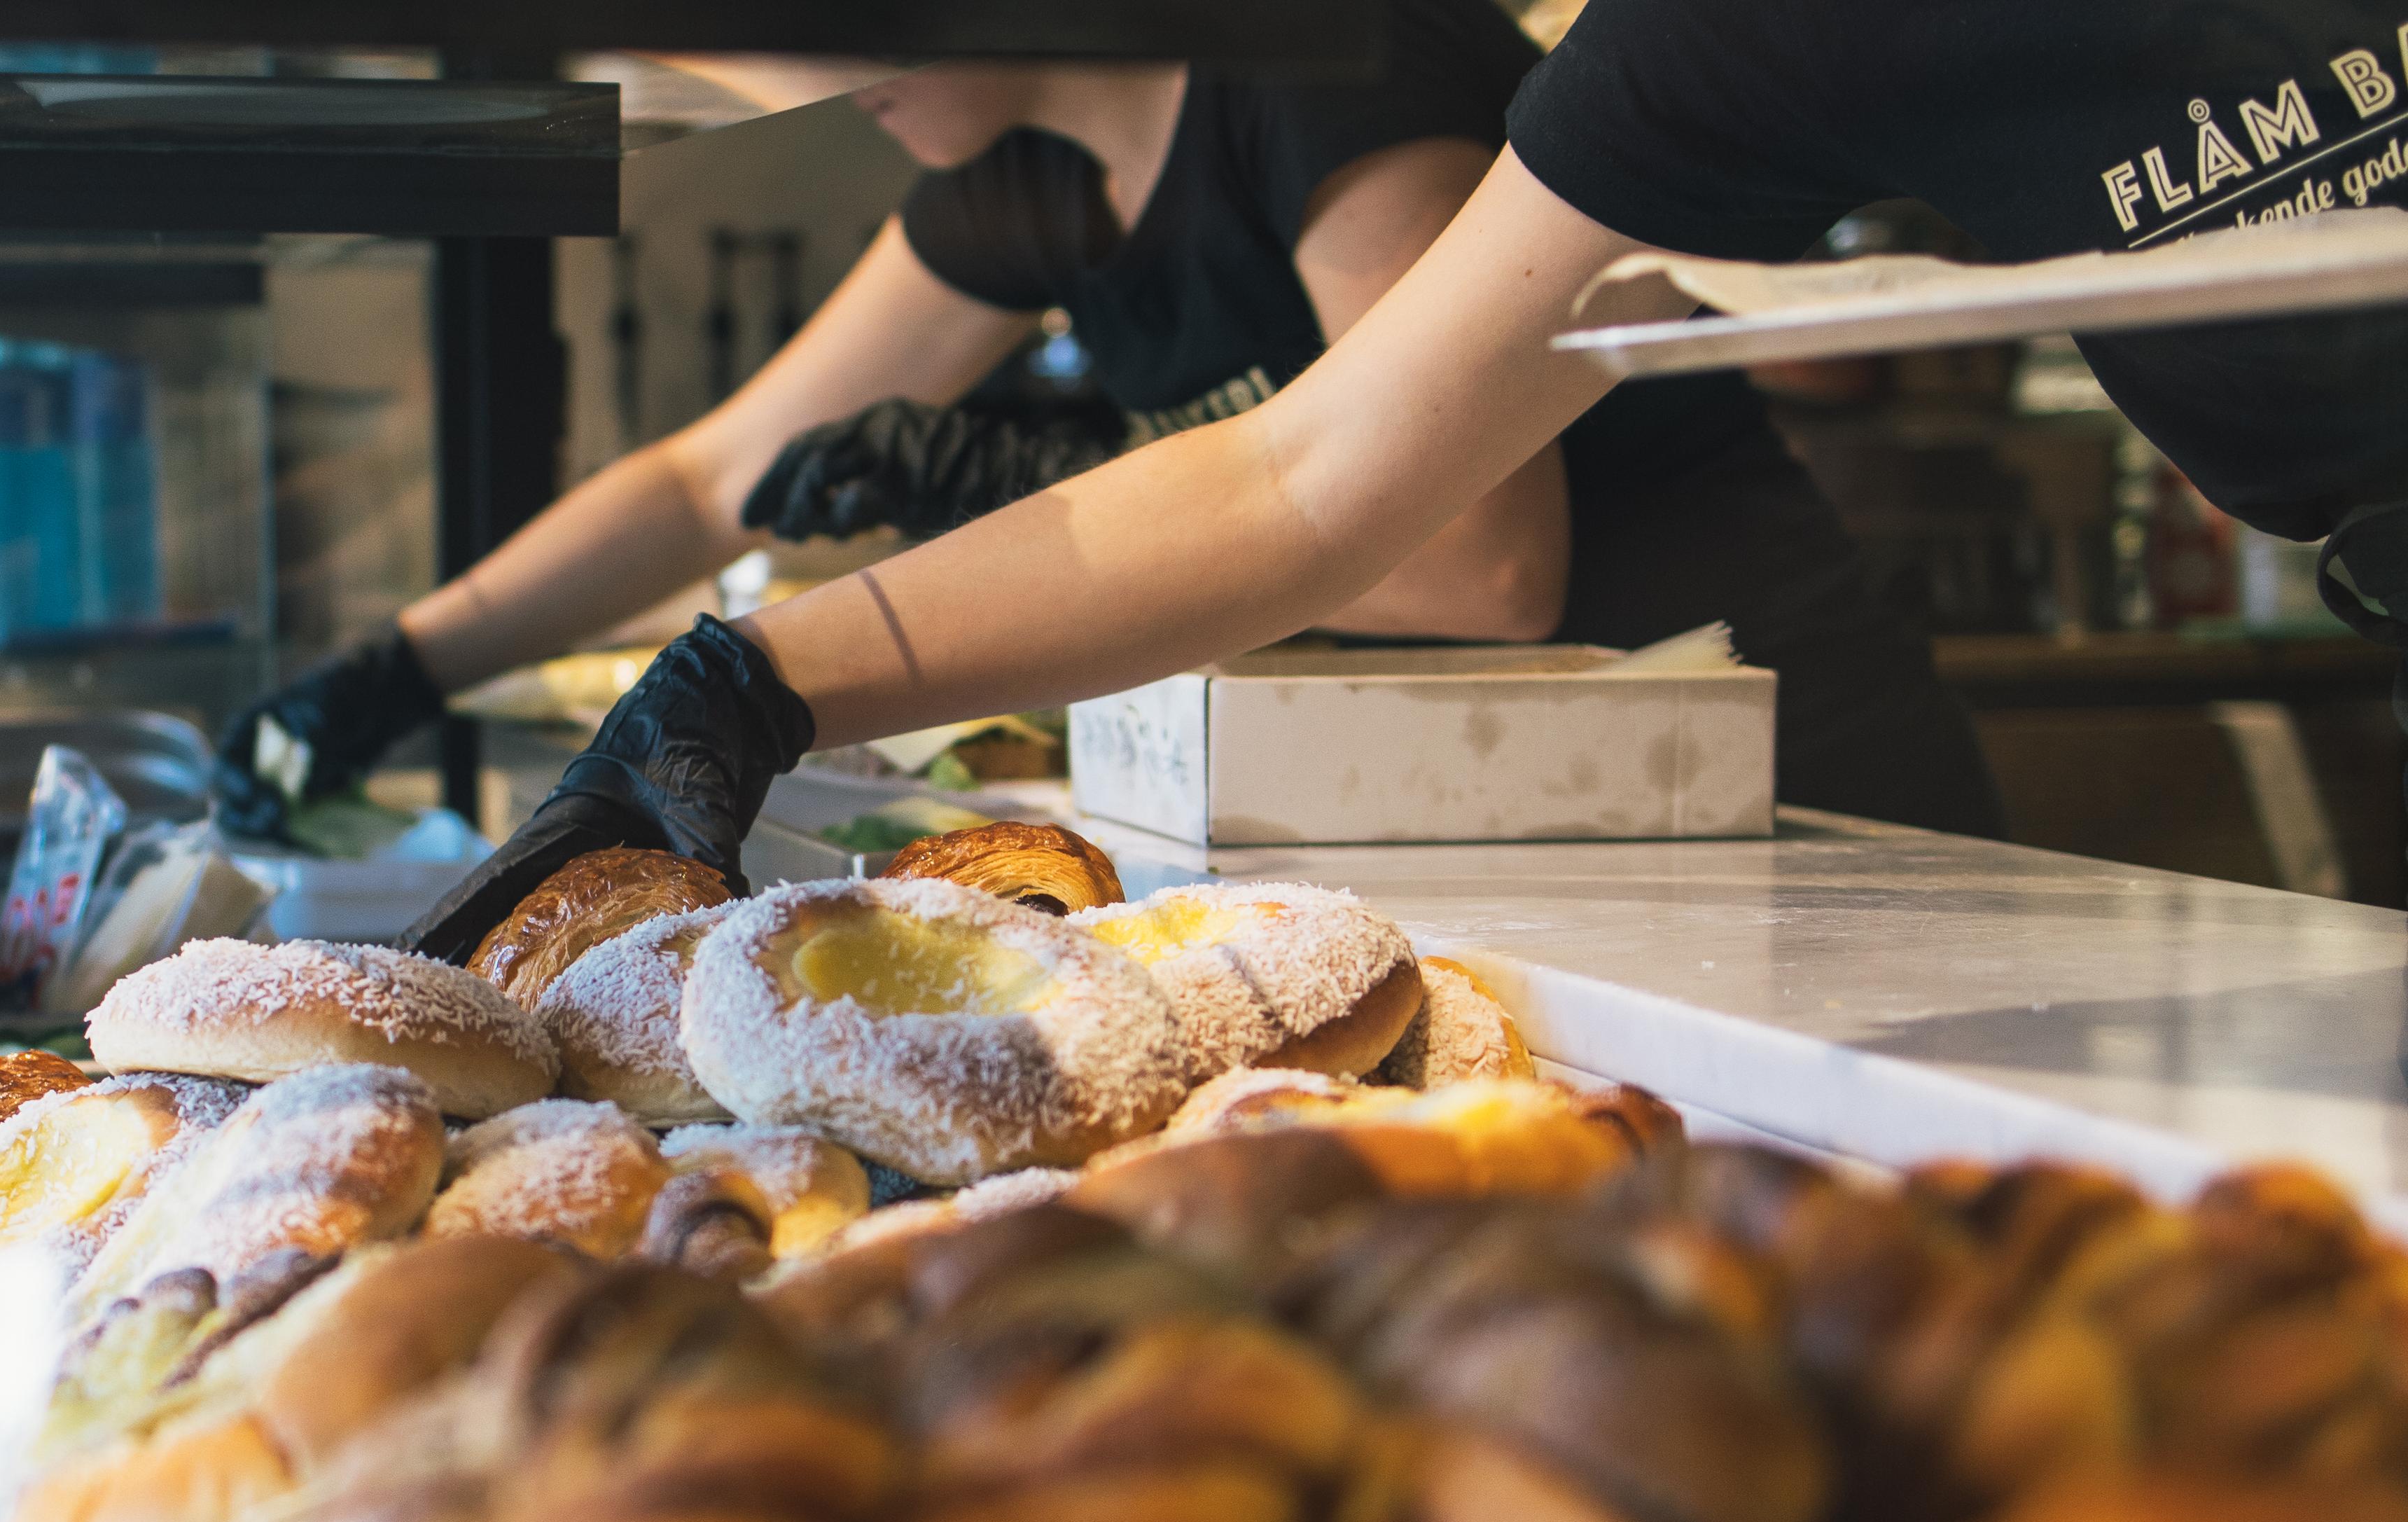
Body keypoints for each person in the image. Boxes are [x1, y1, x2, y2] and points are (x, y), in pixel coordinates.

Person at [402, 0, 2408, 957]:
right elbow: (1319, 478)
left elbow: (1460, 549)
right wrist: (750, 683)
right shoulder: (1717, 53)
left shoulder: (1331, 86)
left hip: (1797, 756)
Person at [217, 0, 2005, 895]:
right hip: (1494, 816)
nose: (818, 90)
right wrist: (398, 666)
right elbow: (710, 478)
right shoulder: (1025, 182)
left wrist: (1006, 479)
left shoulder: (1322, 80)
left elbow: (1472, 557)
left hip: (1775, 805)